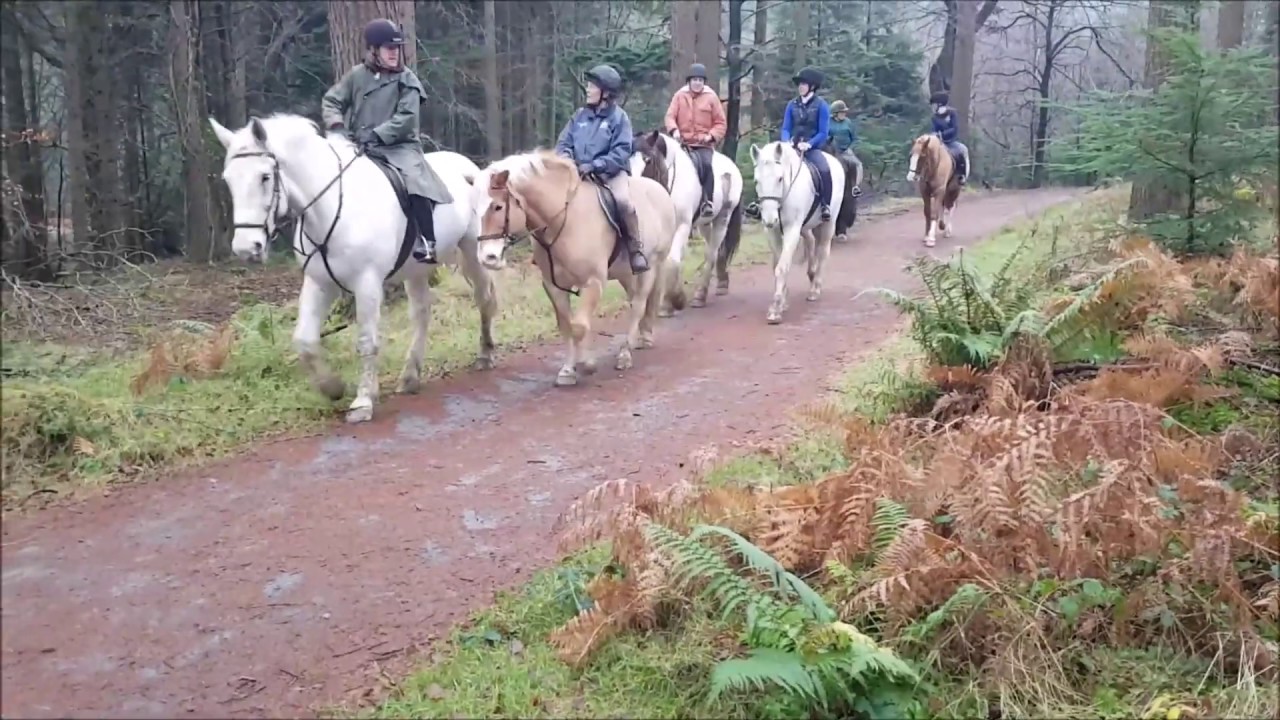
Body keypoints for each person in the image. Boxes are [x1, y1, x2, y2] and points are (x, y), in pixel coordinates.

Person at [321, 18, 452, 264]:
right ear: (373, 50)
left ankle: (427, 241)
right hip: (359, 145)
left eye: (397, 49)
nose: (394, 54)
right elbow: (332, 101)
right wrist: (337, 125)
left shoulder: (408, 80)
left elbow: (407, 118)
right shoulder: (356, 76)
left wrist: (377, 134)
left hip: (400, 147)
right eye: (389, 49)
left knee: (414, 182)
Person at [554, 64, 647, 274]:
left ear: (606, 92)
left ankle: (635, 250)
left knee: (623, 202)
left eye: (592, 86)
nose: (587, 89)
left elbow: (622, 150)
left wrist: (597, 165)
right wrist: (569, 161)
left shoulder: (620, 118)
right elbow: (563, 144)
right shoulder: (579, 116)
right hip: (578, 172)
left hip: (610, 174)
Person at [663, 62, 727, 218]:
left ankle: (707, 201)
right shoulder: (679, 96)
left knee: (705, 165)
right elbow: (670, 116)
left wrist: (711, 136)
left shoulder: (711, 98)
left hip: (702, 144)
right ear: (689, 81)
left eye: (700, 80)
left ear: (704, 82)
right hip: (682, 142)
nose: (697, 83)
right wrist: (674, 131)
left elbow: (721, 122)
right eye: (694, 80)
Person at [779, 66, 833, 221]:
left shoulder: (822, 105)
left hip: (812, 147)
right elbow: (786, 128)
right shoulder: (792, 104)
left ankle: (825, 205)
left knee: (824, 169)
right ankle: (764, 205)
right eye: (799, 84)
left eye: (804, 84)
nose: (800, 87)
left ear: (812, 87)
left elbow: (823, 132)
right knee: (773, 168)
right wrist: (786, 142)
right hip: (793, 146)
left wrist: (809, 144)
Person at [929, 91, 969, 185]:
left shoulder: (952, 114)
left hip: (950, 141)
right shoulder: (934, 117)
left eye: (934, 105)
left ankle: (961, 175)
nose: (933, 107)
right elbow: (933, 128)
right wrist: (933, 134)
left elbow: (954, 128)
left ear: (939, 104)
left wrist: (941, 135)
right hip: (939, 143)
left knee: (962, 150)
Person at [826, 100, 863, 197]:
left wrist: (850, 148)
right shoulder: (828, 122)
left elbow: (855, 139)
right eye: (842, 112)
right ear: (835, 113)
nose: (844, 114)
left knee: (858, 165)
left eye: (844, 112)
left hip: (845, 151)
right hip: (831, 151)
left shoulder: (848, 122)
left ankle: (856, 187)